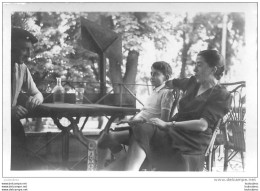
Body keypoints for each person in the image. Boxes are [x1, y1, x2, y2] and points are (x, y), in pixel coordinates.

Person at [113, 49, 231, 171]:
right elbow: (170, 82)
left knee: (143, 130)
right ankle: (130, 172)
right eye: (195, 64)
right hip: (174, 132)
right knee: (140, 128)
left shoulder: (221, 95)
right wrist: (169, 90)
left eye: (199, 65)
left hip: (193, 139)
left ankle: (129, 173)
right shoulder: (193, 83)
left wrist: (168, 124)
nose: (195, 69)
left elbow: (202, 125)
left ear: (214, 69)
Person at [97, 61, 176, 155]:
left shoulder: (166, 93)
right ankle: (120, 160)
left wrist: (135, 122)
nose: (152, 77)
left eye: (156, 74)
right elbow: (147, 112)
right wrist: (130, 120)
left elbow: (163, 121)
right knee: (103, 134)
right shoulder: (155, 91)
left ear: (166, 77)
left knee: (108, 137)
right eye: (151, 73)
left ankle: (122, 160)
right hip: (136, 126)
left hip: (147, 132)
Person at [11, 27, 44, 170]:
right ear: (10, 47)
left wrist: (36, 99)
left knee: (20, 163)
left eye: (30, 50)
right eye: (24, 49)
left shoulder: (22, 68)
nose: (29, 55)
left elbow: (37, 93)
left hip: (10, 123)